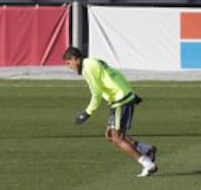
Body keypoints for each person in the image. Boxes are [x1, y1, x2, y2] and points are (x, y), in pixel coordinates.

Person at [63, 47, 158, 177]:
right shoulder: (94, 61)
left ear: (75, 59)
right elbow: (116, 74)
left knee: (118, 139)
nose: (69, 67)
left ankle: (148, 164)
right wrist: (130, 92)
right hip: (120, 99)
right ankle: (147, 149)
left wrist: (88, 112)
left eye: (68, 63)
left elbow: (96, 93)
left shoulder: (87, 68)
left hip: (120, 100)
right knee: (111, 136)